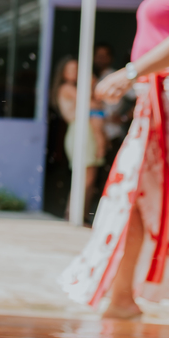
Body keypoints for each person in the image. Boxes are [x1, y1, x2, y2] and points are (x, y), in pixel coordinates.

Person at [60, 0, 169, 319]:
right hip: (160, 104)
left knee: (142, 196)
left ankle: (121, 301)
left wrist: (129, 73)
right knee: (132, 196)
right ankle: (120, 300)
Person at [51, 56, 106, 222]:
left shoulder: (74, 89)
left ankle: (81, 215)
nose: (76, 72)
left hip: (86, 132)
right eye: (72, 69)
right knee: (84, 178)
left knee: (89, 177)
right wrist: (91, 85)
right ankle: (72, 214)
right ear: (63, 73)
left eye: (77, 69)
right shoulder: (66, 88)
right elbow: (90, 104)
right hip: (80, 132)